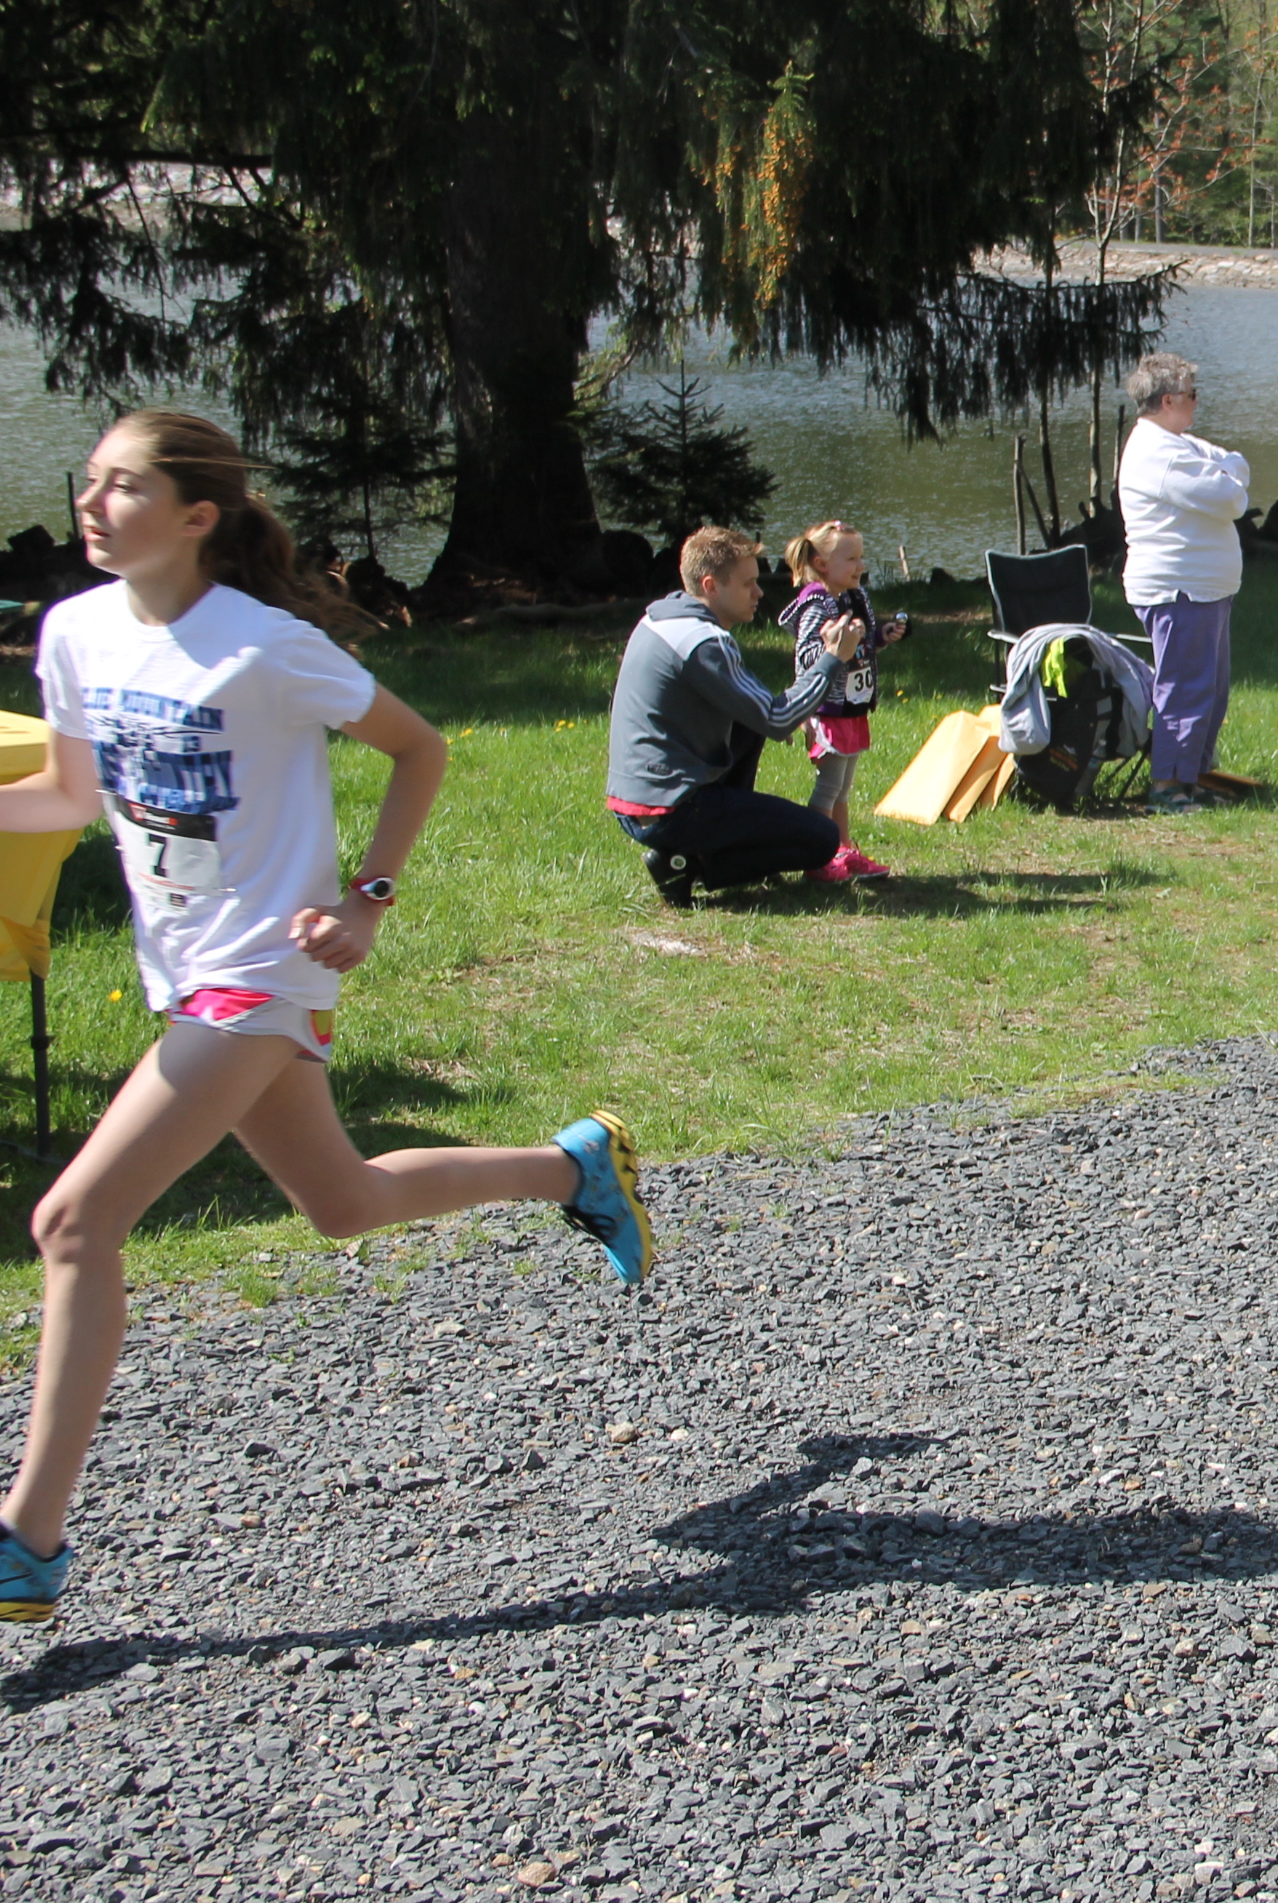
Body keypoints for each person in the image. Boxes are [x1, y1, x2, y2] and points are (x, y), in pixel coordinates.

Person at [0, 410, 654, 1625]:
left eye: (123, 485)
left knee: (73, 1220)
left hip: (264, 971)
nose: (91, 502)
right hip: (183, 972)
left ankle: (27, 1540)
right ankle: (575, 1168)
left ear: (196, 516)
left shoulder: (265, 648)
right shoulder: (76, 631)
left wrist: (369, 898)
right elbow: (65, 795)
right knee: (342, 1201)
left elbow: (420, 748)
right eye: (89, 480)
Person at [608, 527, 868, 907]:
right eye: (748, 584)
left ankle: (712, 844)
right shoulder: (703, 643)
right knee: (822, 839)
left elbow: (761, 713)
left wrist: (780, 714)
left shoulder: (660, 619)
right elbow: (778, 719)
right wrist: (832, 658)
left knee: (749, 723)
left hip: (634, 802)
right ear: (711, 586)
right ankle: (690, 865)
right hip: (671, 810)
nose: (759, 592)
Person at [1117, 351, 1253, 814]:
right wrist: (1230, 474)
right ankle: (1167, 786)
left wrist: (1230, 470)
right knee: (1185, 688)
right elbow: (1231, 498)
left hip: (1204, 589)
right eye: (1191, 395)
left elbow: (1234, 464)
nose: (1196, 402)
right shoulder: (1159, 453)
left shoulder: (1178, 444)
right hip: (1179, 589)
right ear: (1168, 400)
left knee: (1210, 689)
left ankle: (1191, 777)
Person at [779, 519, 907, 882]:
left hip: (852, 707)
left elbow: (859, 646)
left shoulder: (854, 597)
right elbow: (806, 657)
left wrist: (880, 637)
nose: (860, 565)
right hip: (827, 710)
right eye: (851, 559)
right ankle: (816, 858)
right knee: (829, 787)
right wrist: (832, 644)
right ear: (821, 564)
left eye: (861, 557)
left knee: (843, 789)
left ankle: (843, 850)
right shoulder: (817, 605)